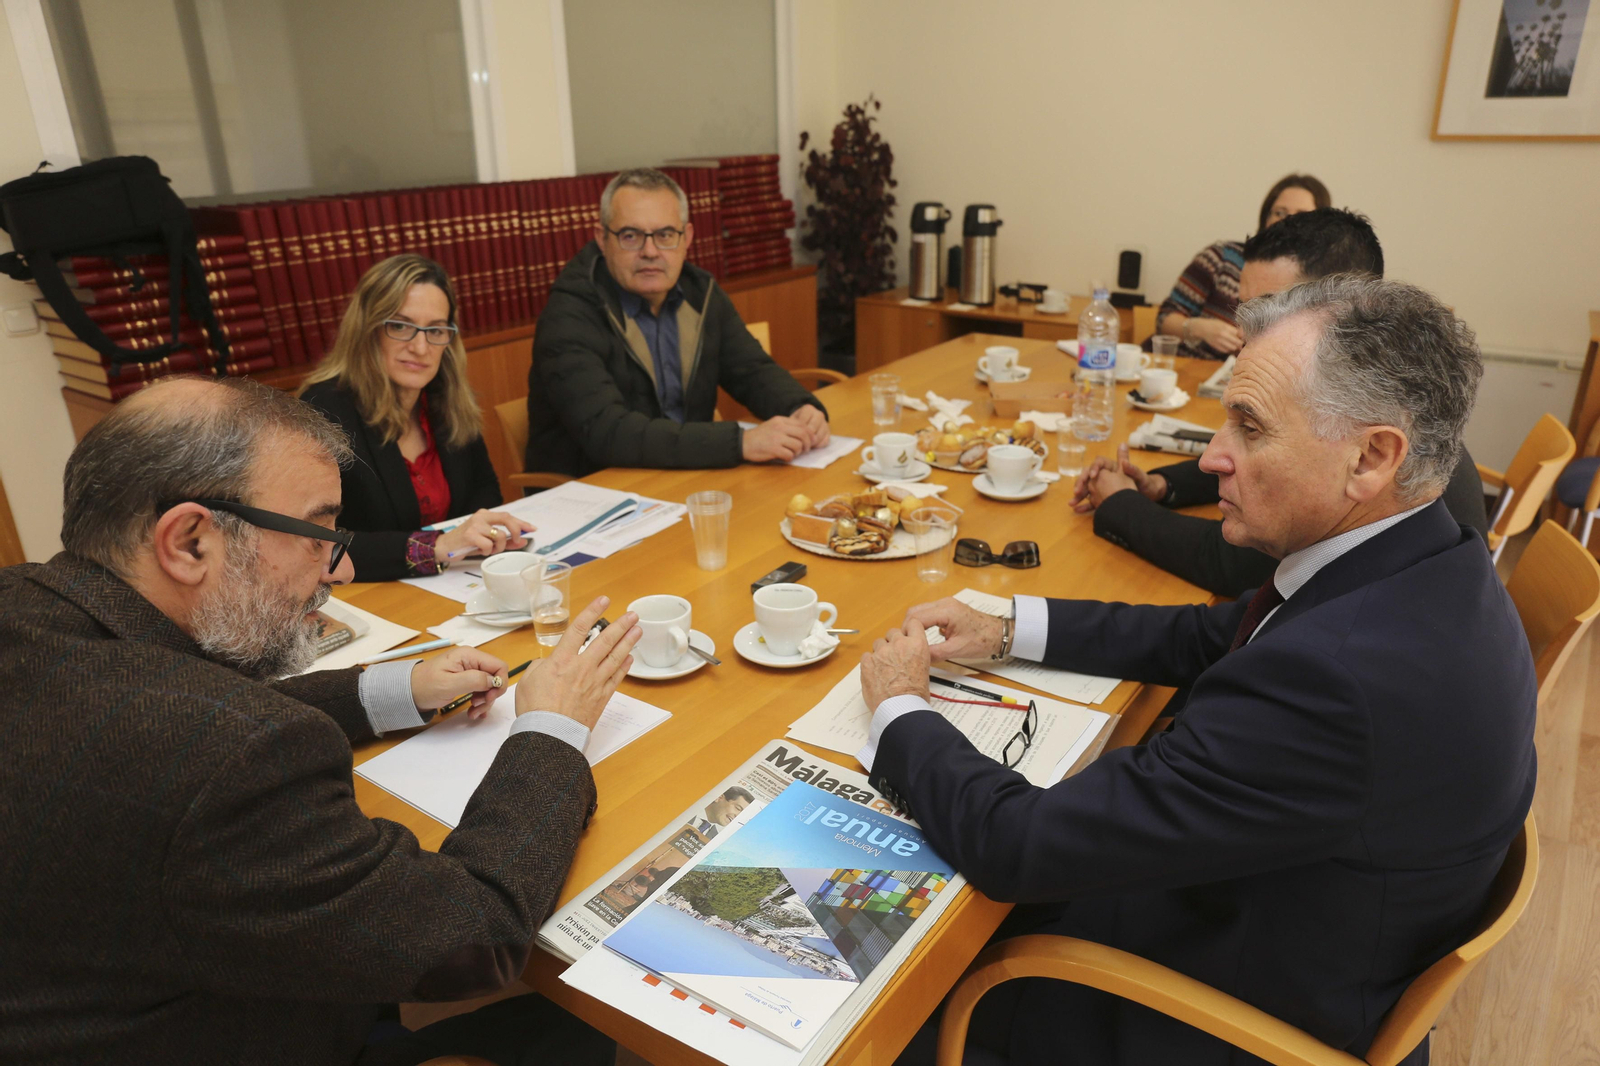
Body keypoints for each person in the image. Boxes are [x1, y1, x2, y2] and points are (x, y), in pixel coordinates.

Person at [859, 276, 1536, 1066]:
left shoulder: (1335, 686)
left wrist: (903, 709)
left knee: (870, 1007)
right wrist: (1007, 625)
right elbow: (1209, 634)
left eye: (1249, 427)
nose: (1213, 455)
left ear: (1371, 457)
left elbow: (1017, 846)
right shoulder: (1428, 558)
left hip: (1201, 1016)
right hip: (1298, 934)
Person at [0, 377, 645, 1066]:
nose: (337, 569)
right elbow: (474, 938)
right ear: (189, 541)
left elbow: (168, 716)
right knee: (586, 1033)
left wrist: (392, 690)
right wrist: (552, 731)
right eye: (316, 533)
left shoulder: (30, 609)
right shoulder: (227, 759)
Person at [1074, 208, 1491, 596]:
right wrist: (1164, 486)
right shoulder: (1393, 402)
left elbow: (1230, 565)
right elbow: (1267, 450)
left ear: (1338, 306)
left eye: (1273, 308)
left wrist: (1119, 503)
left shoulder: (1377, 438)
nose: (1248, 332)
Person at [526, 167, 828, 477]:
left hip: (681, 477)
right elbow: (608, 433)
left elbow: (752, 371)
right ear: (602, 239)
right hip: (595, 496)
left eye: (665, 235)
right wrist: (739, 443)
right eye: (630, 236)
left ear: (687, 238)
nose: (650, 251)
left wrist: (800, 408)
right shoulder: (569, 315)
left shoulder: (701, 294)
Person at [300, 254, 535, 582]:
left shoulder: (444, 396)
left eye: (436, 330)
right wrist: (436, 547)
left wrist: (479, 533)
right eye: (400, 326)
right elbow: (314, 545)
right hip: (367, 596)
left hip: (454, 582)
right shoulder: (322, 412)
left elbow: (484, 490)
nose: (421, 347)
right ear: (367, 330)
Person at [1157, 173, 1330, 360]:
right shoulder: (1221, 257)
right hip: (1189, 370)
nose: (1287, 222)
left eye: (1301, 216)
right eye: (1280, 213)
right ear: (1266, 217)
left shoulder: (1317, 286)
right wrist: (1198, 329)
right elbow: (1164, 319)